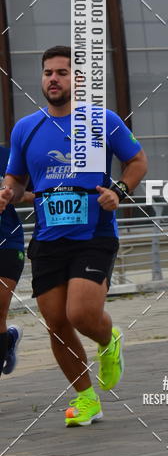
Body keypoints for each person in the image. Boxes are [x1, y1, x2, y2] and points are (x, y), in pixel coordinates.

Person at [0, 46, 148, 424]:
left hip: (94, 232)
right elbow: (17, 180)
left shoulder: (103, 120)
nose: (53, 79)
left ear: (78, 80)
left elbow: (137, 160)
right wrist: (8, 192)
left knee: (80, 312)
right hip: (48, 237)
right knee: (57, 322)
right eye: (48, 72)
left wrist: (120, 190)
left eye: (62, 72)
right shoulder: (26, 128)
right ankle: (86, 398)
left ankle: (108, 338)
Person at [0, 144, 34, 377]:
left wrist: (10, 196)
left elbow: (36, 191)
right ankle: (9, 339)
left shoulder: (7, 157)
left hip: (7, 243)